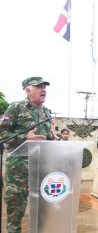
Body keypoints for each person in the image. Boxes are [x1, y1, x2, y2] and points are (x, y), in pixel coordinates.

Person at [0, 76, 54, 233]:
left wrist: (53, 138)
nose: (43, 90)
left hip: (42, 167)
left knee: (43, 210)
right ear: (27, 90)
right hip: (18, 169)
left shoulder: (46, 112)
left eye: (44, 87)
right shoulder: (15, 107)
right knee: (15, 209)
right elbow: (3, 132)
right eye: (39, 87)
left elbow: (46, 135)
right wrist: (25, 137)